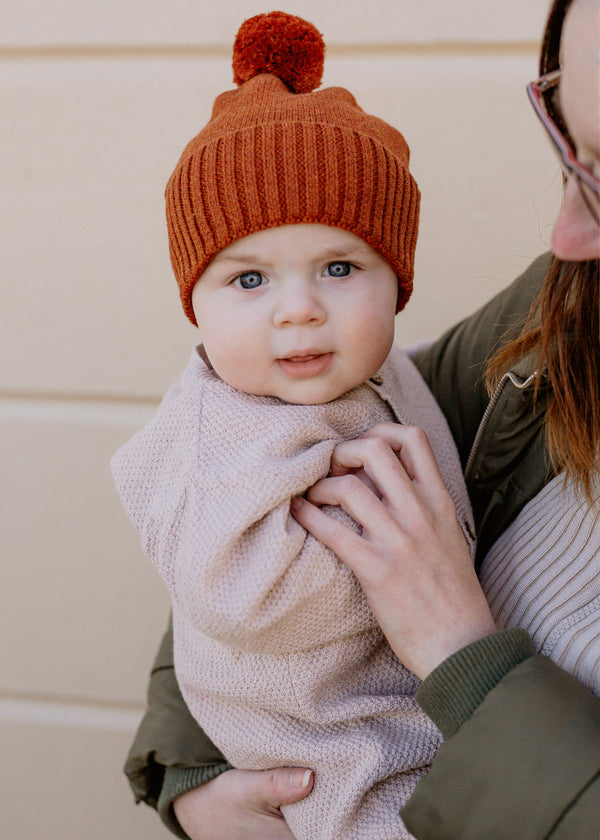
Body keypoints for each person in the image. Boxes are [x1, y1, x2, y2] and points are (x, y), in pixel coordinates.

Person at [122, 0, 600, 838]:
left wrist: (461, 653)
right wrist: (193, 778)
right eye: (571, 154)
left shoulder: (363, 379)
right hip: (334, 761)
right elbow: (213, 577)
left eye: (340, 266)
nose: (564, 233)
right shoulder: (572, 303)